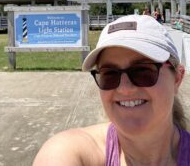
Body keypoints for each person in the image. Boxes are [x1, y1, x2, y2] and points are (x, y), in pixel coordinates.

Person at [33, 15, 189, 166]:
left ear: (177, 78)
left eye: (142, 71)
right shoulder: (67, 151)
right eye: (110, 74)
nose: (124, 89)